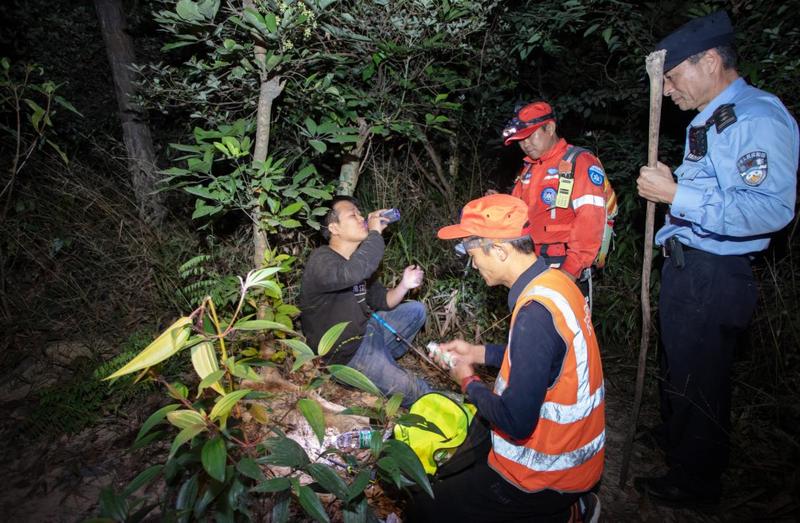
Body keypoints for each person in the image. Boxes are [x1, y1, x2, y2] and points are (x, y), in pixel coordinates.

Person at [635, 11, 799, 510]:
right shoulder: (710, 119)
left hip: (713, 273)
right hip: (687, 266)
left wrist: (676, 196)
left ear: (709, 61)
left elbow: (771, 209)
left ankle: (696, 481)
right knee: (680, 366)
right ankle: (675, 437)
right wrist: (675, 185)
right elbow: (712, 190)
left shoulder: (757, 117)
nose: (666, 91)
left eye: (672, 76)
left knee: (700, 376)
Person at [407, 194, 604, 522]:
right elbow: (544, 359)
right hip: (577, 457)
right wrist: (477, 352)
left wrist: (468, 380)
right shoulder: (555, 283)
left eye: (474, 256)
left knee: (427, 506)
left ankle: (564, 512)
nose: (474, 266)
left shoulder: (534, 314)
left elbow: (515, 421)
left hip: (545, 473)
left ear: (499, 250)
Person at [299, 196, 431, 408]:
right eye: (353, 214)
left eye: (360, 213)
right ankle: (452, 407)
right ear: (334, 228)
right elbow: (351, 274)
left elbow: (385, 301)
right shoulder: (321, 260)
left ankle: (382, 366)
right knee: (414, 389)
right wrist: (375, 233)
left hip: (368, 330)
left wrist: (404, 285)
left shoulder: (356, 262)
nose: (361, 218)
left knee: (416, 310)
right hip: (348, 353)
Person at [502, 101, 616, 297]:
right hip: (531, 265)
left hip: (564, 268)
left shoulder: (578, 162)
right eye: (520, 140)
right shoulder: (528, 170)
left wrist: (569, 272)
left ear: (550, 128)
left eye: (530, 136)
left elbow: (590, 222)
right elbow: (516, 214)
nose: (525, 144)